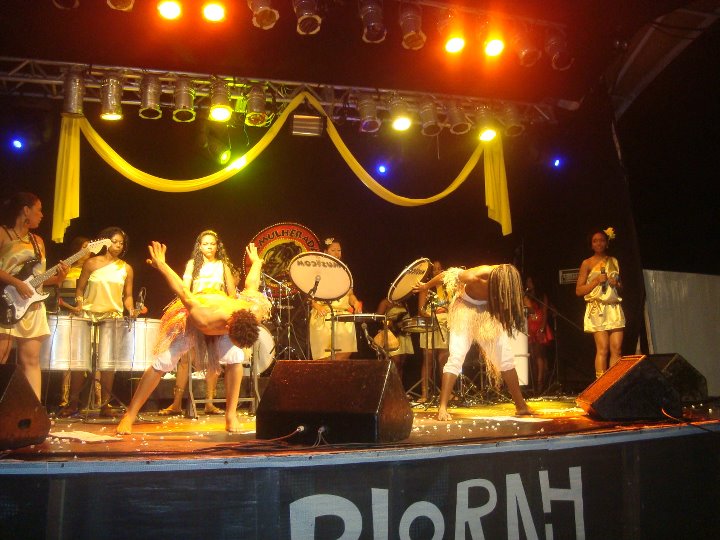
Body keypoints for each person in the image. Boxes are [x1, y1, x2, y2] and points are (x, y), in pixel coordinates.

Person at [116, 241, 270, 434]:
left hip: (224, 317)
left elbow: (251, 284)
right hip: (190, 325)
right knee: (162, 362)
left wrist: (257, 262)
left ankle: (231, 415)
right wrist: (162, 265)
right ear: (228, 327)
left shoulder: (253, 311)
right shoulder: (203, 316)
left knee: (236, 356)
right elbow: (182, 291)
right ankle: (129, 415)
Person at [415, 263, 532, 420]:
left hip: (486, 312)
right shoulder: (478, 274)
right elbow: (447, 275)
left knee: (506, 358)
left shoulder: (508, 283)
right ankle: (442, 408)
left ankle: (521, 406)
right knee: (456, 356)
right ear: (495, 279)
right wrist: (425, 286)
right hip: (464, 308)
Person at [59, 227, 138, 418]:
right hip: (88, 315)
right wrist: (79, 303)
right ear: (105, 241)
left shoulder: (126, 268)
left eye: (121, 243)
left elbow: (128, 296)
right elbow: (80, 289)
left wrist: (131, 309)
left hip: (112, 318)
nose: (118, 246)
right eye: (115, 241)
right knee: (80, 362)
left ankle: (105, 404)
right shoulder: (91, 263)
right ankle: (73, 403)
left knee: (107, 364)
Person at [158, 230, 235, 416]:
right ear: (199, 247)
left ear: (217, 246)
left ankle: (209, 403)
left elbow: (232, 293)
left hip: (215, 311)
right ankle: (176, 403)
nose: (209, 247)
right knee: (185, 358)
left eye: (212, 244)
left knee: (214, 357)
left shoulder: (223, 266)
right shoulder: (192, 264)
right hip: (195, 309)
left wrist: (226, 309)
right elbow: (184, 289)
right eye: (205, 244)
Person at [0, 192, 68, 400]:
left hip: (31, 305)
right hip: (5, 301)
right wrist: (16, 283)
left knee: (30, 359)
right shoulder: (3, 233)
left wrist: (58, 278)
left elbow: (37, 279)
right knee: (1, 356)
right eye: (39, 210)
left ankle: (33, 409)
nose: (42, 215)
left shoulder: (38, 241)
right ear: (26, 210)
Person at [575, 227, 625, 379]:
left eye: (602, 240)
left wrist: (616, 283)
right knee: (603, 348)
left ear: (607, 243)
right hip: (597, 308)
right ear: (591, 245)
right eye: (595, 241)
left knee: (617, 348)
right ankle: (601, 385)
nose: (599, 243)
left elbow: (621, 287)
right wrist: (596, 281)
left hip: (613, 306)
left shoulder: (613, 261)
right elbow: (579, 290)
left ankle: (614, 383)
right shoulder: (587, 263)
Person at [308, 238, 362, 360]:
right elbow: (310, 296)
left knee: (346, 351)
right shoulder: (317, 270)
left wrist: (355, 302)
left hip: (343, 316)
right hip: (324, 315)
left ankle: (328, 370)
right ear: (325, 252)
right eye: (333, 250)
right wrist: (317, 306)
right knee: (325, 355)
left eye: (339, 250)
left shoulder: (345, 271)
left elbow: (350, 294)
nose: (337, 253)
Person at [416, 260, 450, 403]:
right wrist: (432, 314)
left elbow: (452, 306)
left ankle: (446, 394)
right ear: (430, 273)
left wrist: (446, 309)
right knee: (428, 358)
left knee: (443, 359)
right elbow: (421, 310)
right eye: (434, 269)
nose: (437, 271)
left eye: (439, 269)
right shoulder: (425, 287)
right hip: (430, 323)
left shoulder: (448, 287)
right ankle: (425, 394)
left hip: (444, 324)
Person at [524, 276, 554, 394]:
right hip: (530, 325)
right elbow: (528, 310)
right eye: (527, 282)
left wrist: (542, 328)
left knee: (539, 356)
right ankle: (537, 382)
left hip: (539, 325)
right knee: (534, 357)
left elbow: (545, 312)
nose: (528, 283)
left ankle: (540, 383)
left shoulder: (542, 296)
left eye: (530, 281)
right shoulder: (527, 296)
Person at [375, 297, 413, 381]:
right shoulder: (385, 302)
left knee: (401, 363)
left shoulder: (404, 302)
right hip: (391, 334)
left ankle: (398, 385)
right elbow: (377, 318)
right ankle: (389, 383)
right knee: (396, 361)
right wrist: (390, 321)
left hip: (403, 334)